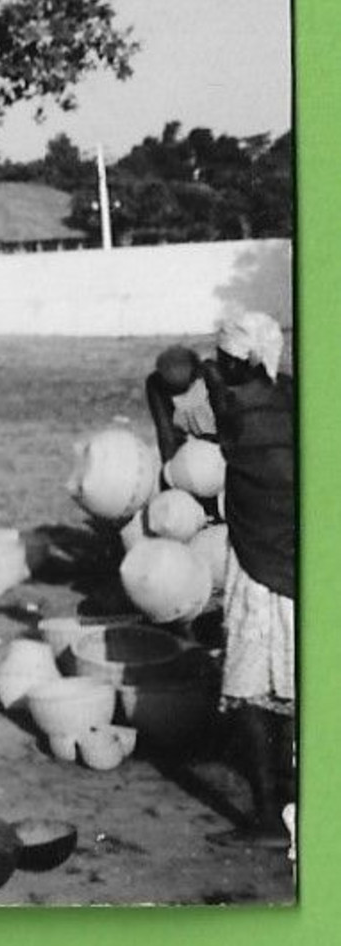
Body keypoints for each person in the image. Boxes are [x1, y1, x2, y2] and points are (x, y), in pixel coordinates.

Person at [204, 311, 295, 850]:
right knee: (297, 681)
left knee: (253, 689)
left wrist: (211, 375)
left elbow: (218, 401)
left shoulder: (237, 409)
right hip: (298, 559)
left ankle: (266, 816)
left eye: (221, 358)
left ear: (236, 362)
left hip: (259, 562)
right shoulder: (287, 395)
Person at [146, 344, 219, 462]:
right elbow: (166, 436)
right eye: (175, 392)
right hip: (187, 444)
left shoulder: (212, 374)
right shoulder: (155, 384)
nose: (182, 398)